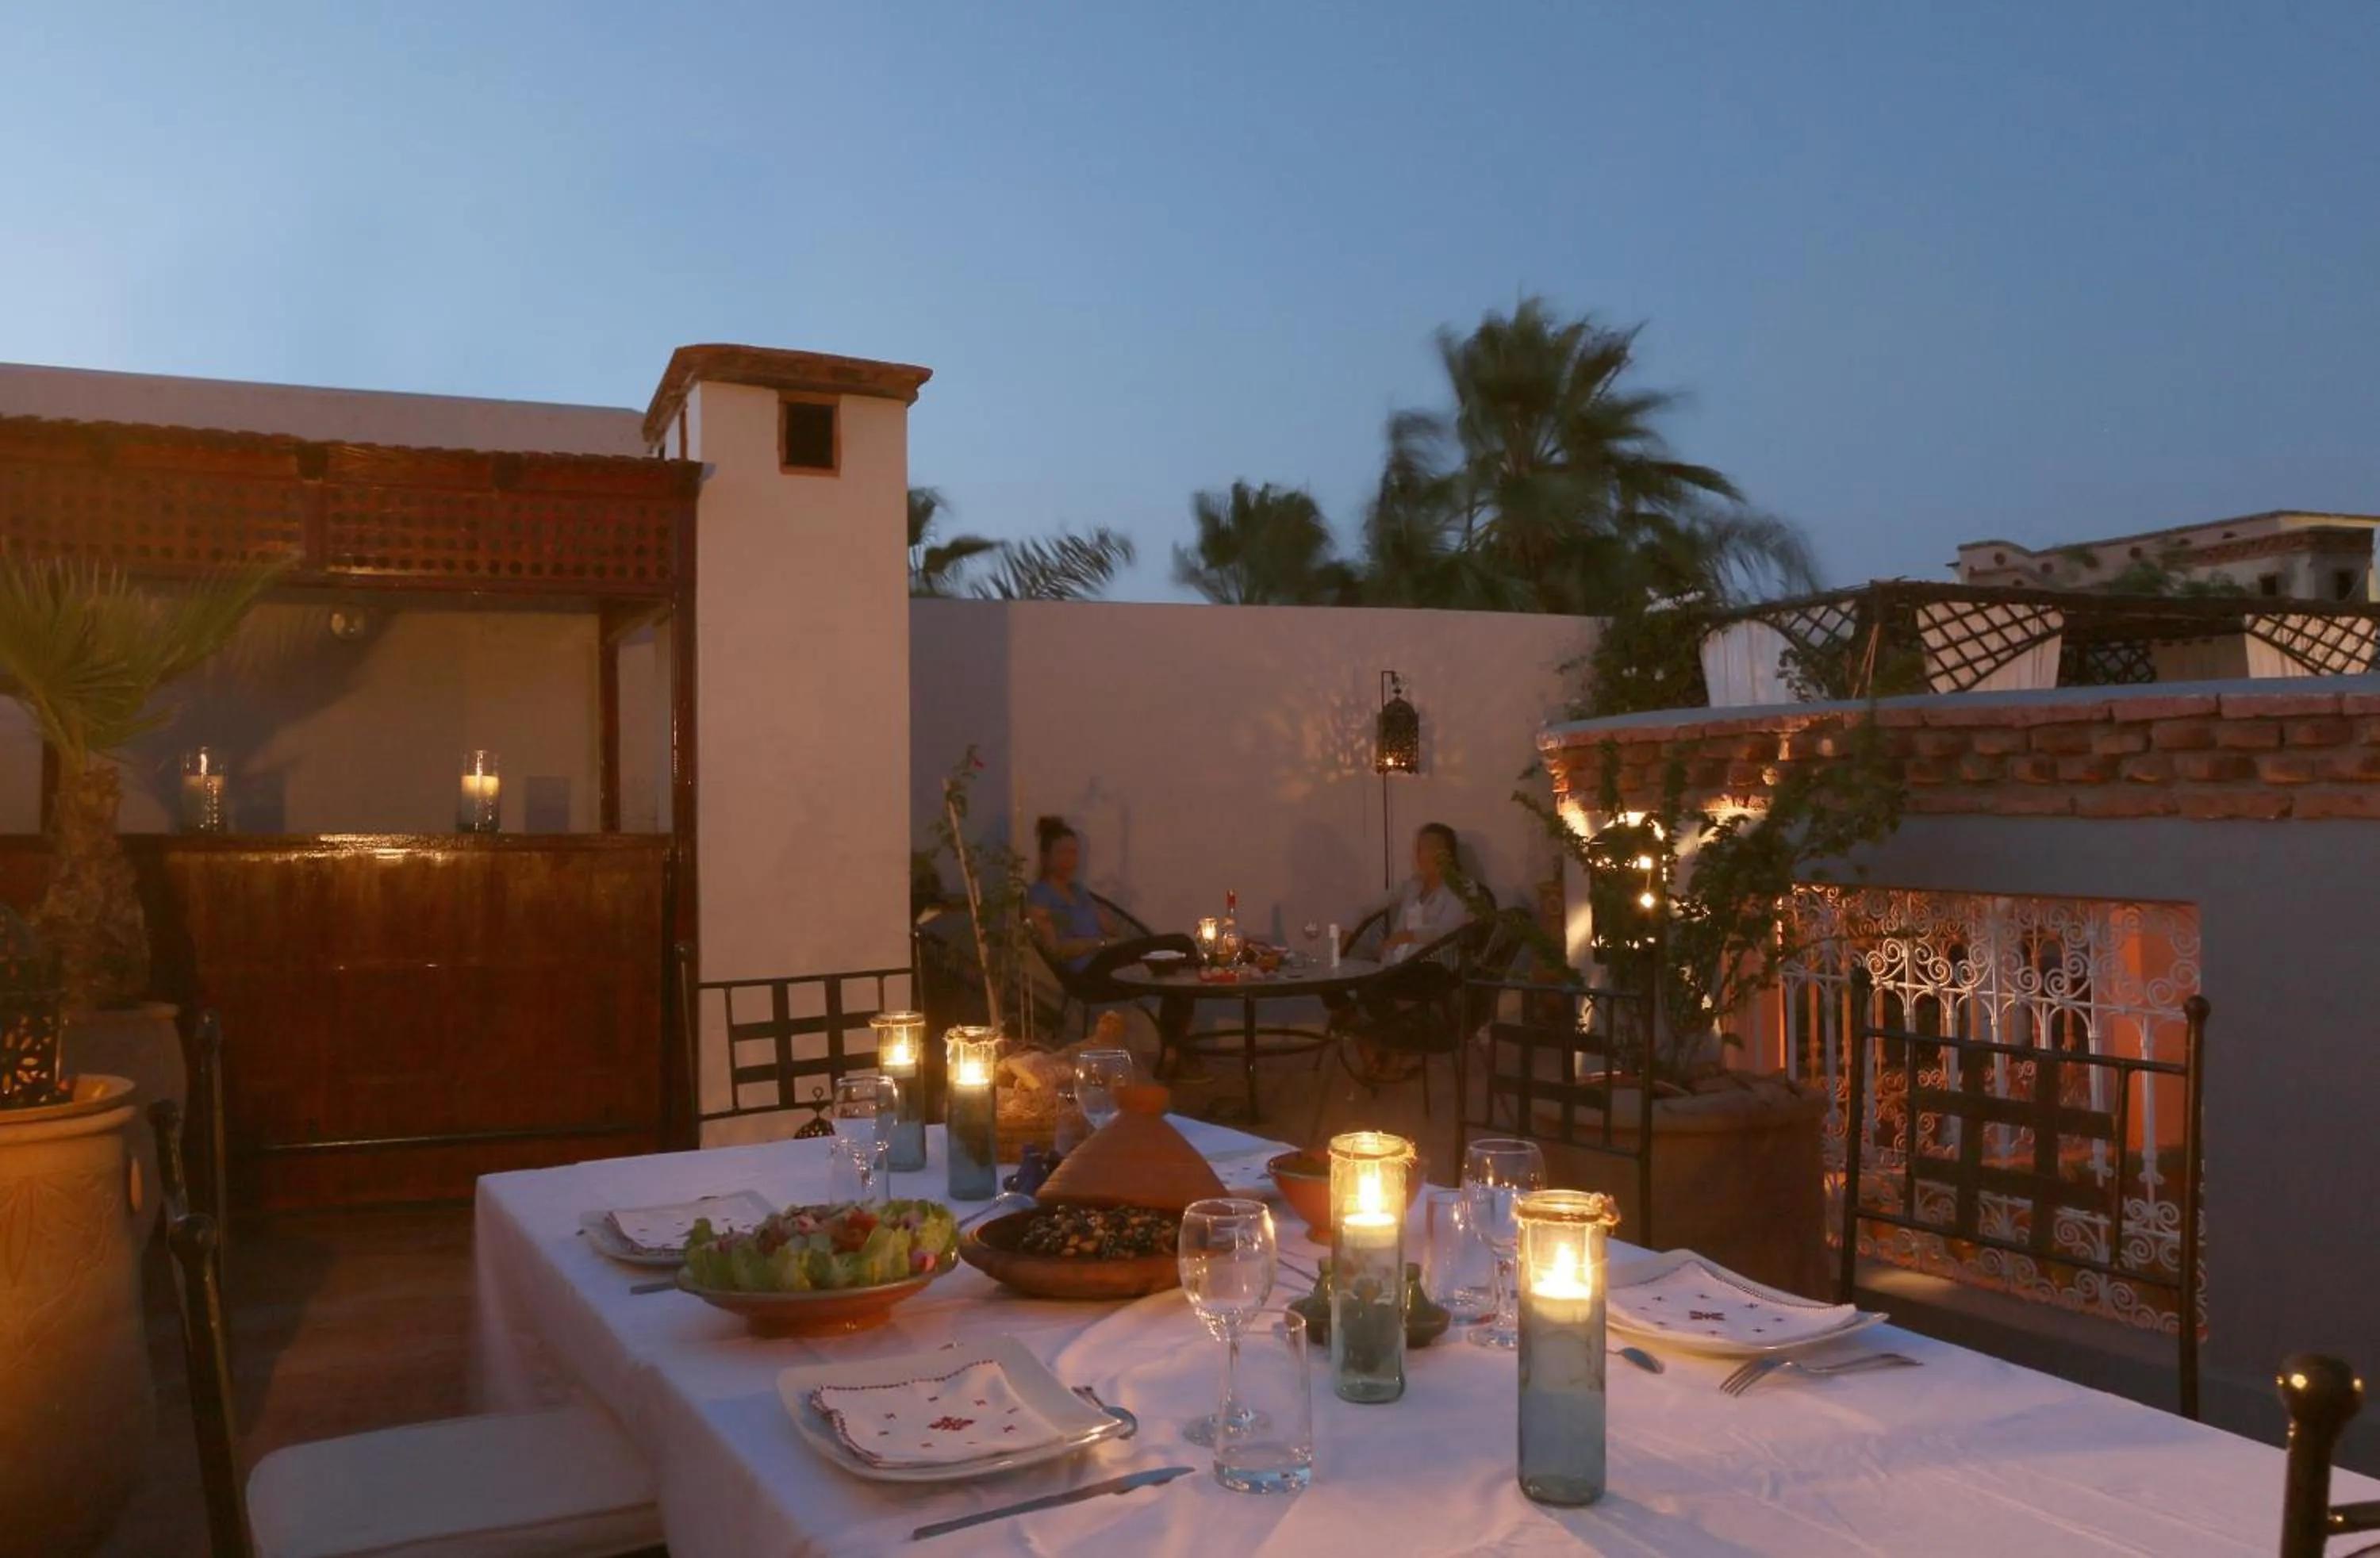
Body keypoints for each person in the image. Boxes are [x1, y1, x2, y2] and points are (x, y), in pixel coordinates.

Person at [1023, 817, 1200, 1077]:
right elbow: (1056, 949)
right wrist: (1103, 944)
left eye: (1075, 852)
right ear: (1046, 856)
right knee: (1181, 945)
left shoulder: (1079, 892)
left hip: (1109, 960)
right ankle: (1174, 1051)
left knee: (1180, 965)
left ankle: (1172, 1049)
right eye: (1063, 852)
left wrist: (1111, 934)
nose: (1071, 859)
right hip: (1087, 974)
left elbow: (1113, 930)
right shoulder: (1039, 896)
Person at [1332, 822, 1485, 1083]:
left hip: (1434, 969)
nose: (1421, 854)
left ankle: (1385, 1050)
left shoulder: (1462, 888)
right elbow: (1367, 907)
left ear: (1446, 853)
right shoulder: (1412, 886)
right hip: (1395, 963)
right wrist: (1345, 934)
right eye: (1419, 847)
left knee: (1372, 987)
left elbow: (1447, 930)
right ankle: (1377, 1050)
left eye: (1429, 848)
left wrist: (1408, 935)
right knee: (1334, 981)